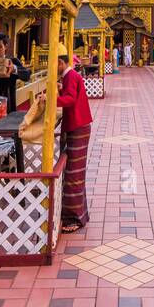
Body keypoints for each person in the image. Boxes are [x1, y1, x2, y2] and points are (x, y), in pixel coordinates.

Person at [50, 44, 92, 233]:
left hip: (78, 125)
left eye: (54, 64)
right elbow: (69, 95)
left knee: (74, 172)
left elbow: (70, 99)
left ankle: (75, 217)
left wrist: (50, 99)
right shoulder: (69, 76)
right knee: (74, 170)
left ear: (60, 62)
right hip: (77, 124)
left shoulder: (70, 76)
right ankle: (78, 214)